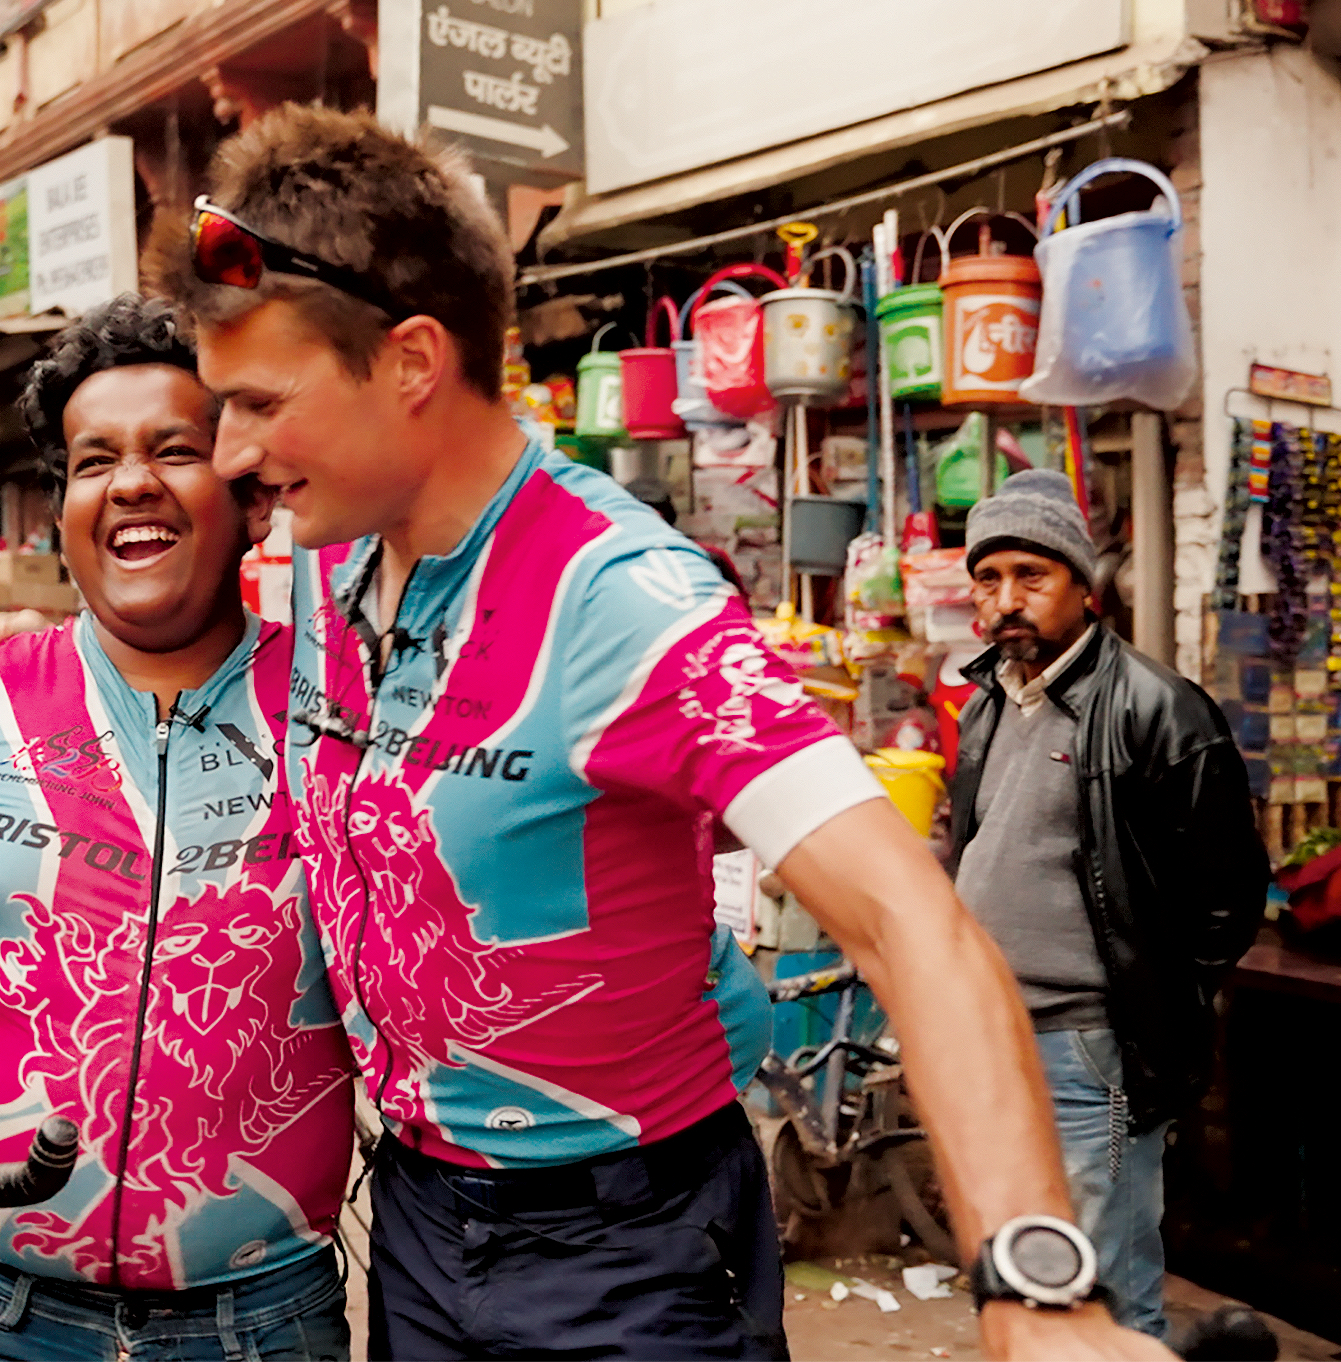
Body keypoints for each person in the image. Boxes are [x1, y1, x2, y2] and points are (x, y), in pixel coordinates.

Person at [150, 105, 1162, 1361]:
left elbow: (911, 922)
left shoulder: (622, 600)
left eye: (258, 403)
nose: (233, 452)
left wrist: (1032, 1286)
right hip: (411, 1218)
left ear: (410, 362)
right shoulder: (328, 559)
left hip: (629, 1251)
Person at [0, 295, 359, 1362]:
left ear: (250, 500)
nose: (130, 481)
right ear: (62, 511)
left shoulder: (339, 713)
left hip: (257, 1323)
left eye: (174, 449)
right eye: (92, 461)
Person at [952, 469, 1269, 1338]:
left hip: (1088, 1046)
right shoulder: (989, 701)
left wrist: (1147, 1006)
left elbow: (1226, 902)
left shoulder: (1158, 709)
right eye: (990, 578)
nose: (1007, 599)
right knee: (1028, 1262)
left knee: (1105, 1271)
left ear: (1083, 587)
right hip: (996, 1036)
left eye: (1032, 575)